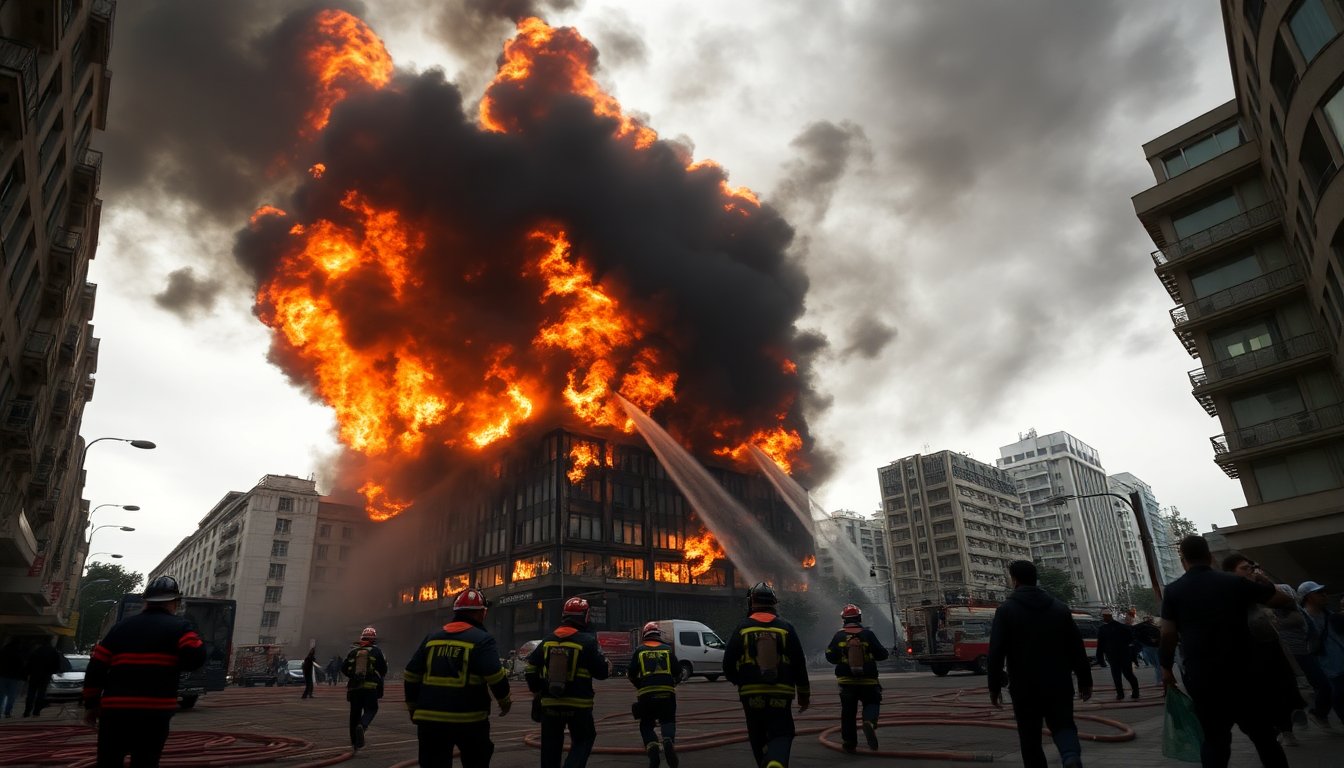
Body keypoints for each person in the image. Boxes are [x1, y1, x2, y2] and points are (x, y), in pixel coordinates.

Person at [1159, 534, 1293, 768]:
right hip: (1244, 672)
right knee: (1264, 737)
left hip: (1203, 677)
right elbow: (1279, 600)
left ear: (1183, 561)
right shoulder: (1235, 583)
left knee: (1215, 740)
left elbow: (1168, 634)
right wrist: (1263, 581)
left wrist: (1165, 667)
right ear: (1210, 557)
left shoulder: (1173, 591)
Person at [82, 576, 206, 768]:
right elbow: (196, 659)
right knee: (146, 761)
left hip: (115, 712)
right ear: (175, 603)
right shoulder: (180, 628)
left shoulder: (121, 628)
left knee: (109, 761)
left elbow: (96, 667)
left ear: (146, 601)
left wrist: (91, 704)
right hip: (154, 713)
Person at [987, 560, 1091, 768]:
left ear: (1014, 580)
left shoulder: (1006, 610)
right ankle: (1070, 756)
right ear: (1035, 579)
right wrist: (1084, 680)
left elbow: (996, 652)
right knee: (1063, 725)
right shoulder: (1059, 608)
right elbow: (1076, 647)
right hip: (1059, 682)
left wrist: (995, 686)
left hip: (1024, 686)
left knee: (1030, 737)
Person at [404, 588, 512, 768]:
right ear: (481, 613)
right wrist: (505, 700)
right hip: (469, 720)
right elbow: (495, 675)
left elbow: (411, 674)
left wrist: (413, 707)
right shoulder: (482, 640)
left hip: (429, 721)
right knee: (477, 760)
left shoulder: (432, 638)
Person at [723, 582, 810, 768]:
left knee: (757, 733)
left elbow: (728, 664)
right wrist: (804, 695)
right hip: (781, 692)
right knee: (782, 732)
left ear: (751, 602)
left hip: (751, 694)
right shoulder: (786, 628)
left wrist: (742, 681)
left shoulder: (742, 628)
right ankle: (776, 761)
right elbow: (799, 664)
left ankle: (766, 761)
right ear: (774, 603)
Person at [1223, 554, 1305, 746]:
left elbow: (1285, 600)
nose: (1250, 572)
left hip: (1269, 645)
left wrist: (1262, 580)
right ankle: (1275, 729)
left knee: (1282, 686)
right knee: (1262, 694)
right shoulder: (1229, 590)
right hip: (1246, 652)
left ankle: (1286, 728)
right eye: (1245, 568)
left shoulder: (1256, 588)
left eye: (1251, 568)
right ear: (1230, 573)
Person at [526, 596, 610, 768]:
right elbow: (601, 673)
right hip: (579, 704)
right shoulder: (587, 642)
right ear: (586, 616)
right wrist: (607, 665)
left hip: (550, 704)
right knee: (584, 739)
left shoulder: (547, 640)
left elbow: (530, 669)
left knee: (550, 747)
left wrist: (538, 690)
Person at [823, 603, 889, 753]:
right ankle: (869, 723)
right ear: (859, 617)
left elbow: (830, 656)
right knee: (872, 702)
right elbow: (882, 654)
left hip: (846, 682)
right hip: (868, 680)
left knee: (848, 712)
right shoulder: (868, 634)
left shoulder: (839, 635)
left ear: (843, 619)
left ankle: (849, 742)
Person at [628, 621, 680, 768]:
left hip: (646, 695)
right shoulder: (667, 650)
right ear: (658, 634)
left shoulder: (639, 650)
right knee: (668, 721)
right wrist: (672, 683)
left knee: (646, 725)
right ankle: (668, 740)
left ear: (645, 635)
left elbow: (631, 674)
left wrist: (640, 685)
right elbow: (678, 672)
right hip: (667, 693)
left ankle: (652, 749)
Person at [1299, 581, 1344, 729]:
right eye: (1319, 593)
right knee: (1338, 693)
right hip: (1326, 663)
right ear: (1308, 597)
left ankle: (1320, 714)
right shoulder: (1302, 619)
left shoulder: (1329, 615)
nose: (1324, 595)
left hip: (1339, 659)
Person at [342, 626, 389, 750]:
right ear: (373, 639)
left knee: (354, 714)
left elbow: (344, 668)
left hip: (354, 689)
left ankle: (354, 742)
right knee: (372, 708)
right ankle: (362, 726)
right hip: (370, 688)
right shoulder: (376, 651)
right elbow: (383, 669)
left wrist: (353, 677)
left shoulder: (353, 651)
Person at [1096, 609, 1139, 700]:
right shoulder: (1123, 627)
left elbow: (1100, 645)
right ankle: (1135, 692)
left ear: (1107, 616)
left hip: (1113, 655)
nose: (1103, 619)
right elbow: (1131, 642)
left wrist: (1100, 659)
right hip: (1124, 654)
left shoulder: (1103, 629)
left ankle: (1120, 694)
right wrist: (1133, 657)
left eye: (1104, 617)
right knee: (1128, 674)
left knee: (1117, 675)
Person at [24, 637, 68, 717]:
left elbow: (29, 663)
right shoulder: (53, 652)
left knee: (31, 693)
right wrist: (52, 672)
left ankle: (27, 711)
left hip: (34, 675)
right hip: (45, 676)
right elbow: (56, 664)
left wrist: (27, 673)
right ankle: (36, 711)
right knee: (41, 694)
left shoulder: (36, 651)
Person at [1132, 616, 1162, 686]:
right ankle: (1160, 680)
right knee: (1158, 665)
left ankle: (1159, 680)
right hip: (1153, 647)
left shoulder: (1140, 628)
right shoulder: (1151, 628)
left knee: (1156, 665)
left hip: (1147, 647)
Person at [0, 637, 24, 718]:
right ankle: (7, 712)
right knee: (11, 695)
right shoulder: (19, 652)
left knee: (1, 695)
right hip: (14, 676)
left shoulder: (4, 650)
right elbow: (21, 665)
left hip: (2, 675)